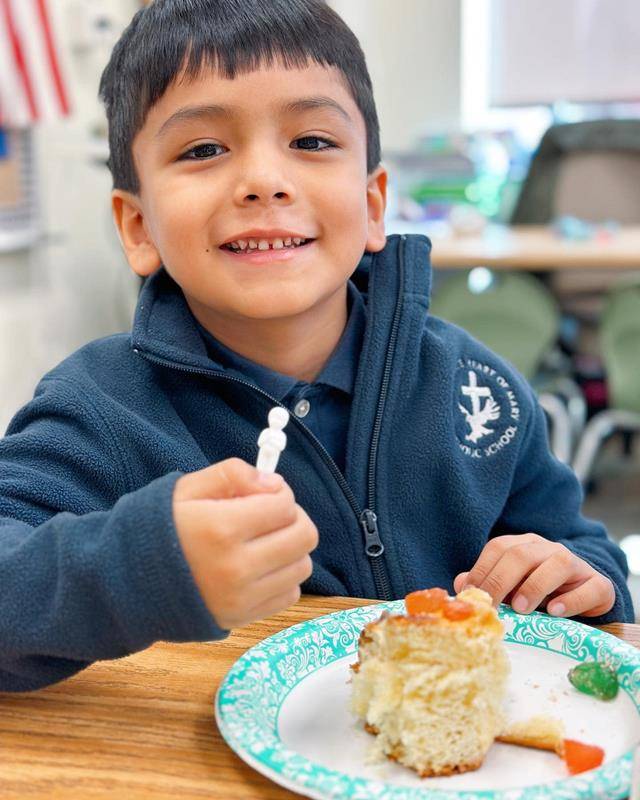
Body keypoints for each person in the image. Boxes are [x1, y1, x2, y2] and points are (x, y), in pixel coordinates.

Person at [0, 0, 633, 692]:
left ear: (371, 206)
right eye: (204, 149)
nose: (265, 181)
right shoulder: (96, 410)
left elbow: (590, 561)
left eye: (311, 142)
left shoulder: (473, 387)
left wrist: (580, 581)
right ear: (138, 225)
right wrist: (142, 563)